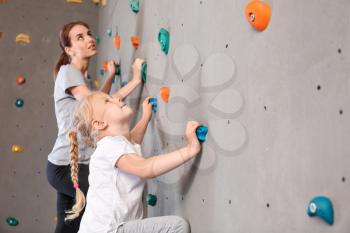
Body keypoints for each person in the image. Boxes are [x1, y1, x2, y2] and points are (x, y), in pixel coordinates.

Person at [46, 21, 144, 233]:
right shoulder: (68, 71)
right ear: (69, 50)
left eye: (88, 34)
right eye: (79, 37)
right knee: (104, 206)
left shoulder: (79, 77)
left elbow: (96, 103)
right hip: (67, 165)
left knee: (69, 227)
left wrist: (109, 77)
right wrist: (135, 80)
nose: (89, 38)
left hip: (66, 165)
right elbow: (99, 105)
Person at [66, 91, 202, 233]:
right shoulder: (109, 146)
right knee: (177, 227)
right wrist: (189, 150)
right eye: (108, 101)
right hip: (109, 230)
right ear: (99, 123)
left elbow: (132, 141)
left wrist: (145, 118)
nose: (117, 98)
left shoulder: (114, 145)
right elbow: (144, 168)